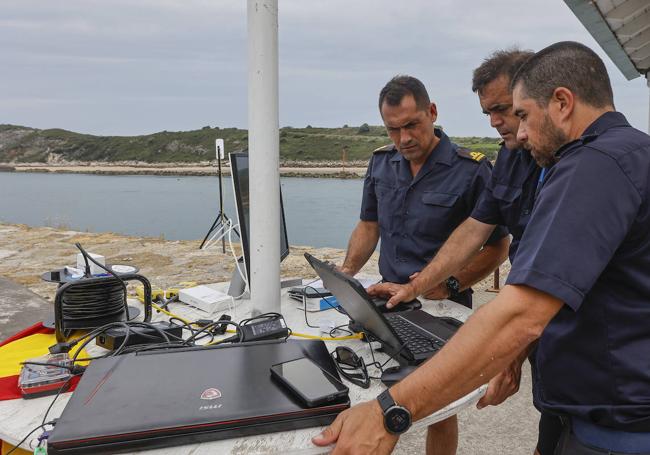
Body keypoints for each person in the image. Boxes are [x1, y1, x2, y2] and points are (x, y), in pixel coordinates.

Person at [314, 41, 650, 455]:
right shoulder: (627, 152)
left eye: (520, 114)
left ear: (562, 101)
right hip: (573, 404)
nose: (516, 130)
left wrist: (389, 410)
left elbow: (522, 313)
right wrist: (419, 290)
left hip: (617, 421)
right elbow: (481, 234)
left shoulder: (595, 164)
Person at [368, 49, 563, 455]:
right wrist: (415, 286)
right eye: (487, 113)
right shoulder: (510, 157)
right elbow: (474, 228)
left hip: (592, 350)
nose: (496, 123)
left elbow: (534, 271)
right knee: (554, 424)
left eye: (508, 111)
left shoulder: (579, 164)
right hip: (546, 346)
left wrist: (507, 351)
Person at [338, 75, 510, 455]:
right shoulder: (382, 163)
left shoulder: (472, 169)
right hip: (387, 300)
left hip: (442, 306)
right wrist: (345, 274)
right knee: (372, 390)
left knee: (438, 409)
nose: (404, 139)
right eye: (394, 129)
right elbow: (369, 225)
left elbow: (497, 246)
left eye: (412, 125)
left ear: (432, 112)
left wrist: (449, 284)